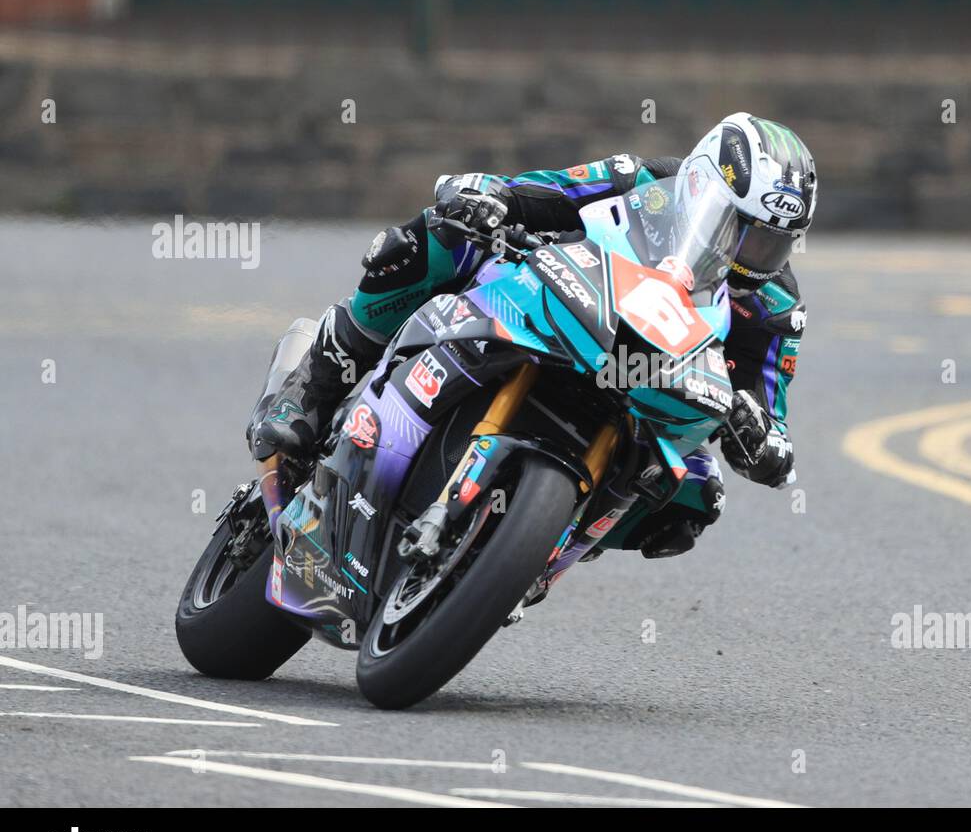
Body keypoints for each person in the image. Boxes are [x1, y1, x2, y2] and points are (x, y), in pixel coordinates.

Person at [249, 113, 815, 557]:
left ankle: (540, 549)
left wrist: (760, 441)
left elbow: (774, 427)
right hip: (567, 307)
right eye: (743, 230)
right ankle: (314, 386)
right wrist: (490, 198)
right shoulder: (644, 180)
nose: (755, 256)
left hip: (651, 385)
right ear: (703, 189)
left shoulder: (776, 307)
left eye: (772, 243)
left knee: (695, 496)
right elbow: (546, 192)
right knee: (446, 237)